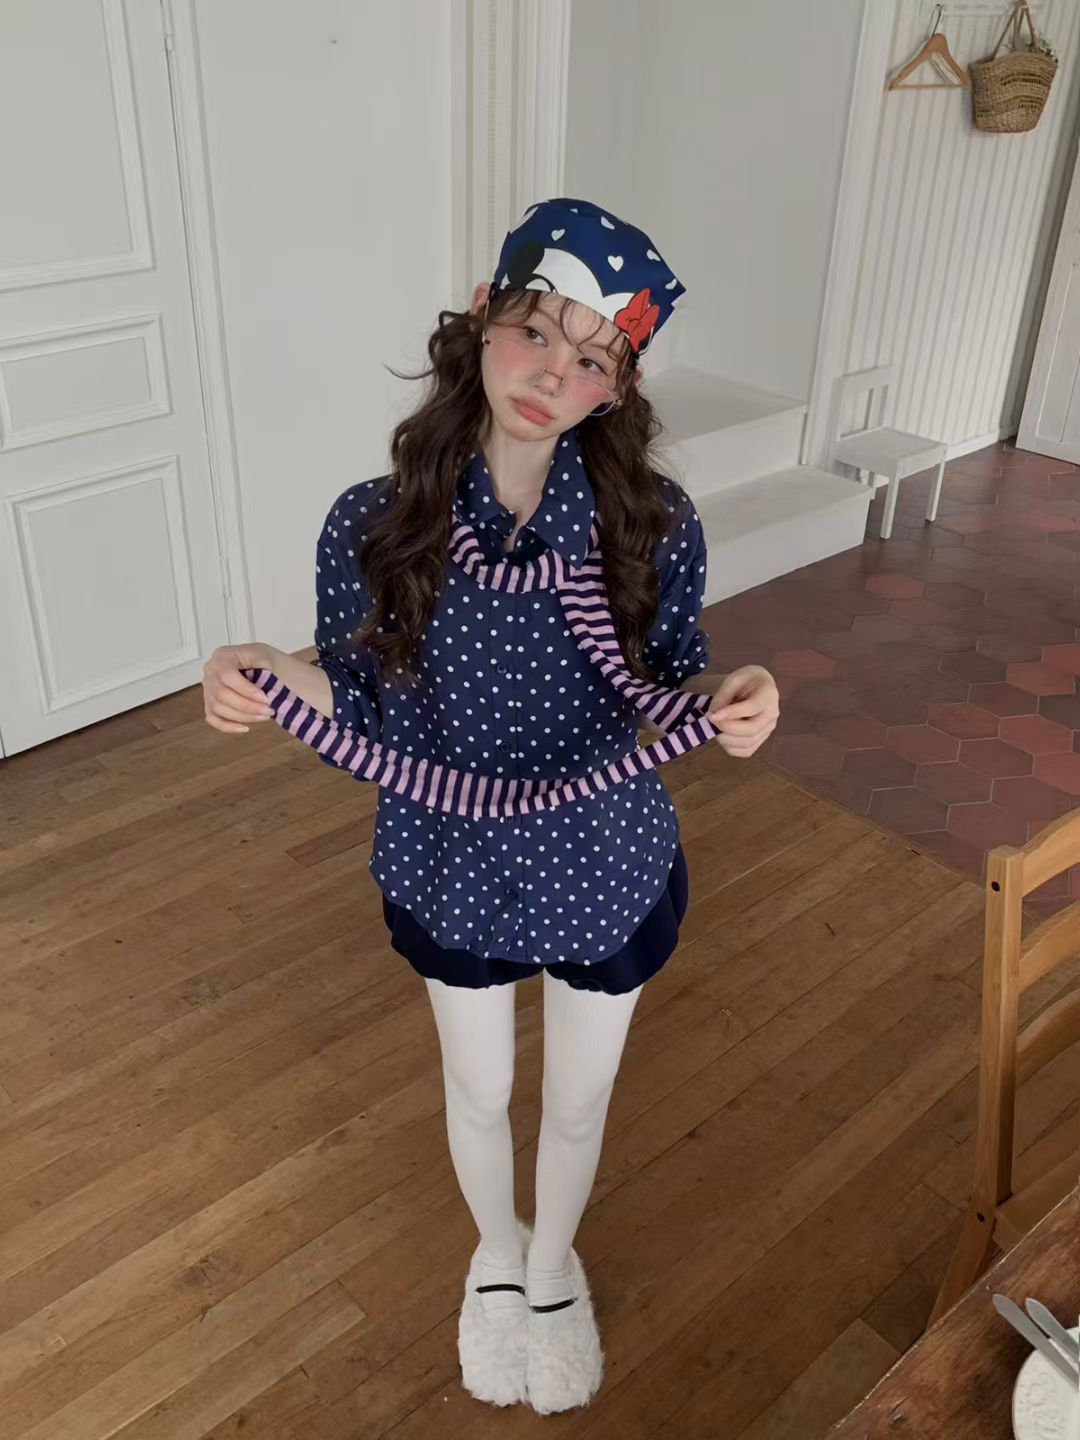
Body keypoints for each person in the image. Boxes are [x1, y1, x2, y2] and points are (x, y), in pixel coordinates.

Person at [203, 196, 780, 1414]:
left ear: (616, 390)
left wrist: (730, 697)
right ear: (483, 320)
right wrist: (265, 672)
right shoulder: (374, 521)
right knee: (477, 1090)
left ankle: (554, 1262)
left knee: (578, 1098)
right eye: (537, 332)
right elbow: (355, 683)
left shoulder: (650, 526)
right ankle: (498, 1254)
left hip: (602, 856)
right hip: (448, 857)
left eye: (592, 360)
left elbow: (670, 677)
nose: (553, 374)